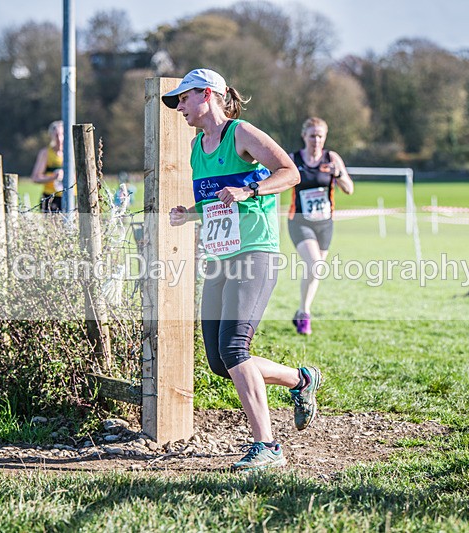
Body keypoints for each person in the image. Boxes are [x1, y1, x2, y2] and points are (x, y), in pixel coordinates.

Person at [163, 68, 321, 472]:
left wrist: (250, 189)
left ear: (208, 94)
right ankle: (301, 379)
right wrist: (190, 213)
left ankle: (267, 446)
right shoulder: (197, 148)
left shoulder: (241, 133)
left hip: (255, 253)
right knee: (220, 362)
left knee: (235, 349)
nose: (179, 107)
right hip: (219, 258)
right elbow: (218, 202)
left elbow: (290, 172)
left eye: (184, 98)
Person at [287, 117, 354, 335]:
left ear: (325, 137)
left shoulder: (331, 158)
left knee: (316, 270)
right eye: (312, 135)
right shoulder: (294, 159)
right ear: (304, 136)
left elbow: (349, 189)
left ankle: (301, 311)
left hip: (325, 223)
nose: (316, 140)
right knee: (315, 264)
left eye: (320, 136)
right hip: (299, 221)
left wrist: (338, 174)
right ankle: (305, 314)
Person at [30, 120, 64, 213]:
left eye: (62, 134)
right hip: (51, 198)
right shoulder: (45, 153)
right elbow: (35, 178)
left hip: (72, 197)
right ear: (51, 136)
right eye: (56, 135)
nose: (59, 138)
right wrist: (53, 177)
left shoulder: (73, 153)